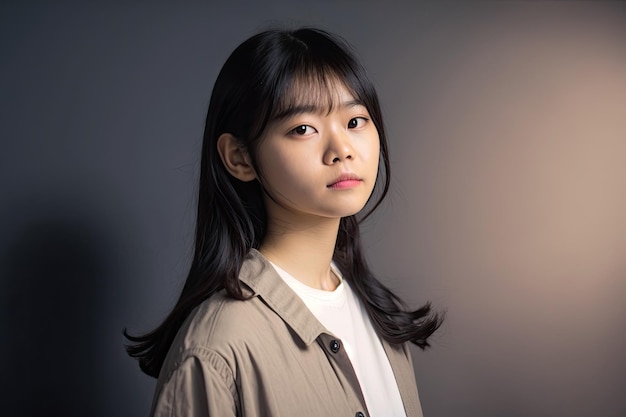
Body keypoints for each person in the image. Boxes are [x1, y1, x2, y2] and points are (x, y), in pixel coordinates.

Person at [124, 27, 443, 417]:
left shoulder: (378, 315)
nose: (342, 149)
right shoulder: (217, 349)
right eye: (303, 129)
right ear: (240, 158)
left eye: (355, 121)